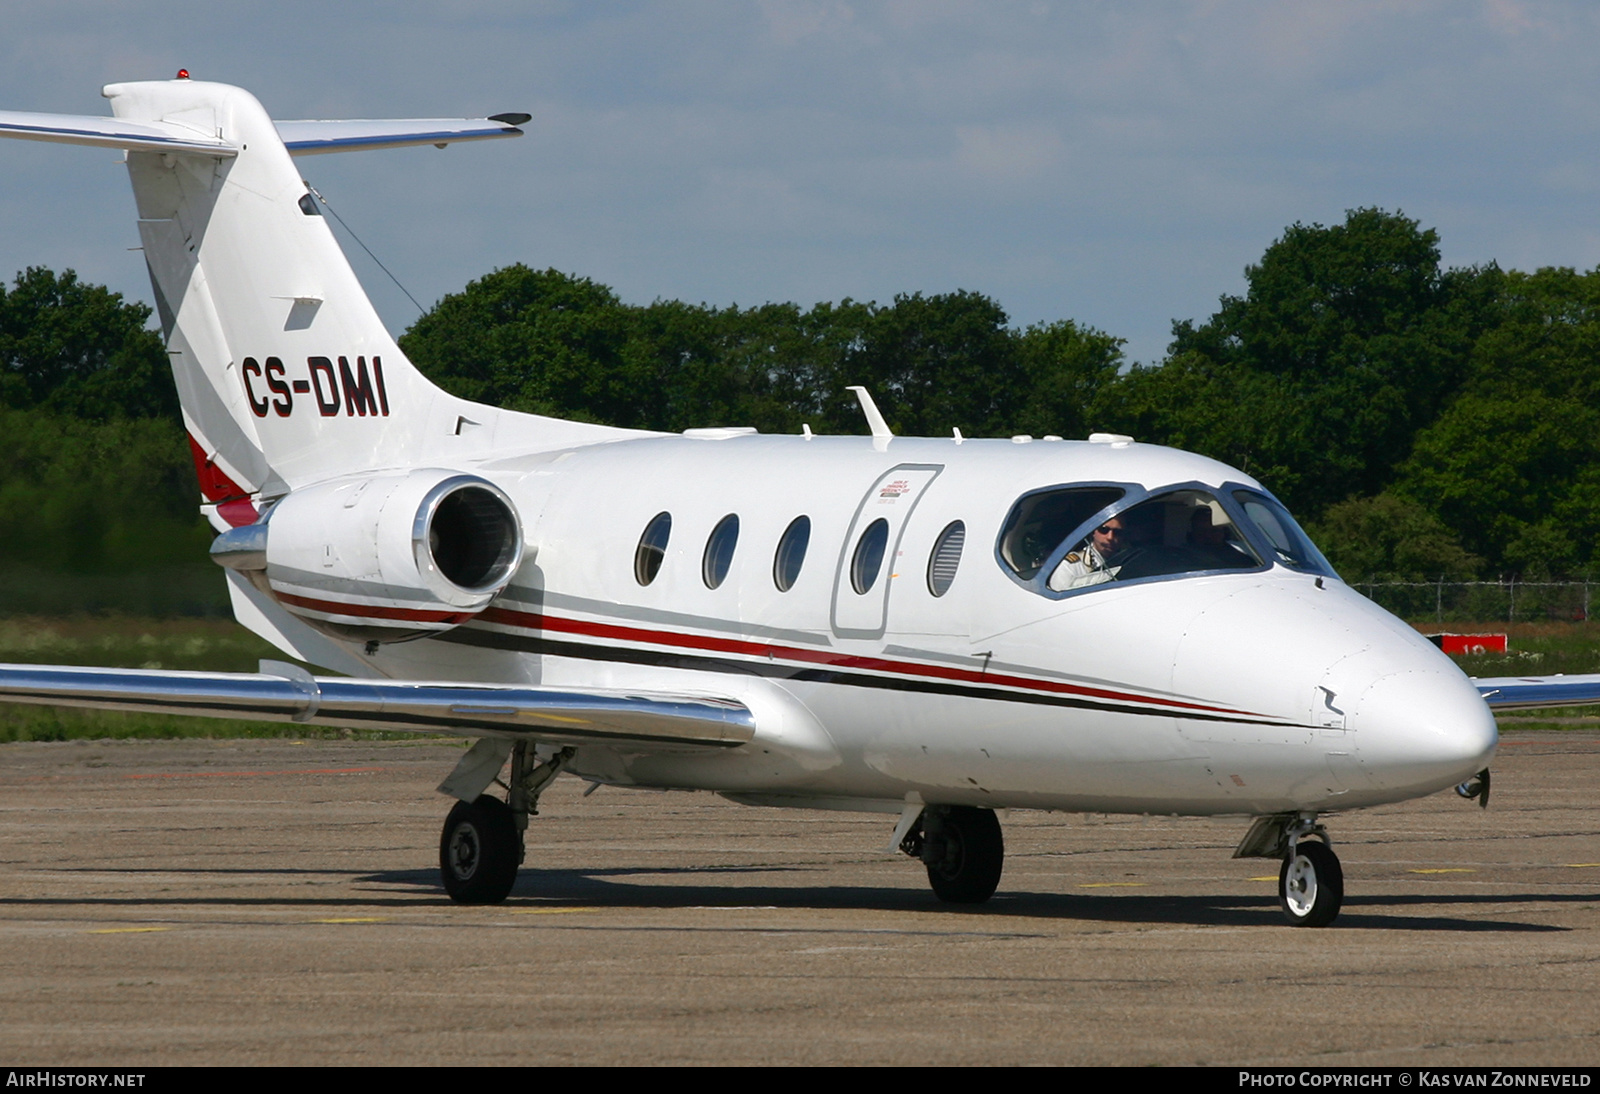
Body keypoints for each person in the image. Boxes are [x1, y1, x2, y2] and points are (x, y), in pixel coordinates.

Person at [1048, 516, 1129, 591]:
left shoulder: (1128, 561)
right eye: (1104, 530)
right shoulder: (1071, 566)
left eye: (1117, 532)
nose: (1110, 537)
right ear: (1093, 532)